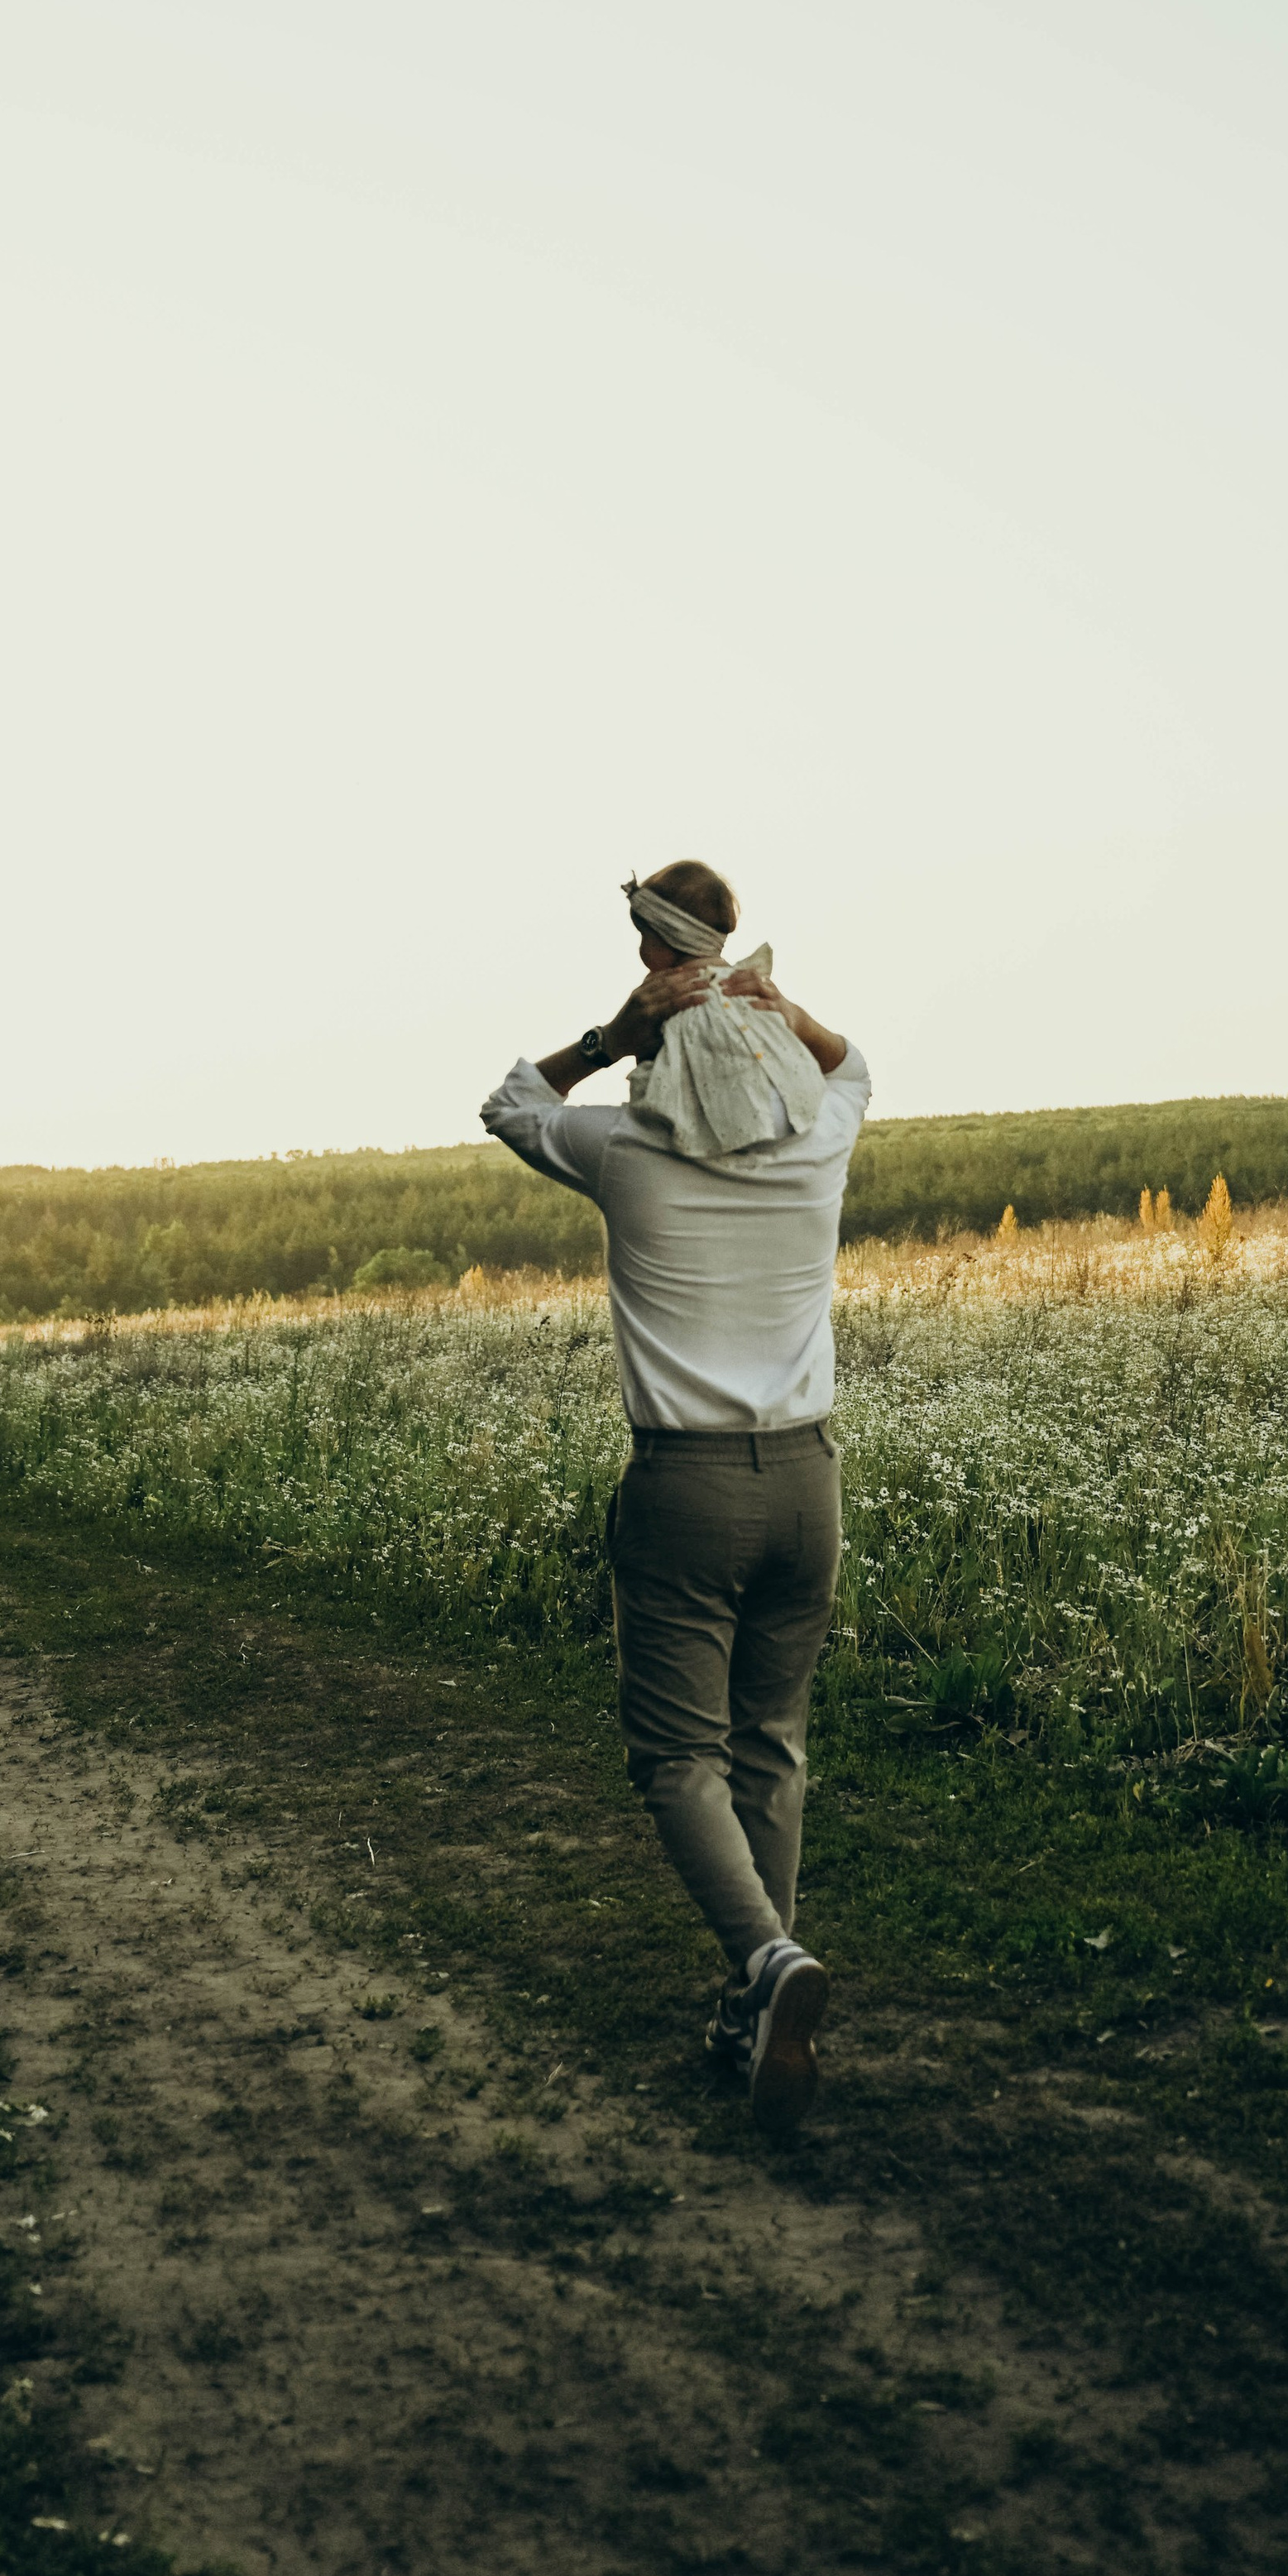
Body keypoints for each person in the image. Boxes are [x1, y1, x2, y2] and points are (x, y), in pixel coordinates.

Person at [481, 860, 871, 2135]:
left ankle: (768, 1965)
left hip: (686, 1490)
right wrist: (778, 1006)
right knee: (771, 1744)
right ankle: (756, 1991)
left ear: (660, 976)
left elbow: (509, 1102)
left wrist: (615, 1034)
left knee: (673, 1755)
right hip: (806, 1481)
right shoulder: (821, 1133)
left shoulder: (626, 1147)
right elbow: (851, 1063)